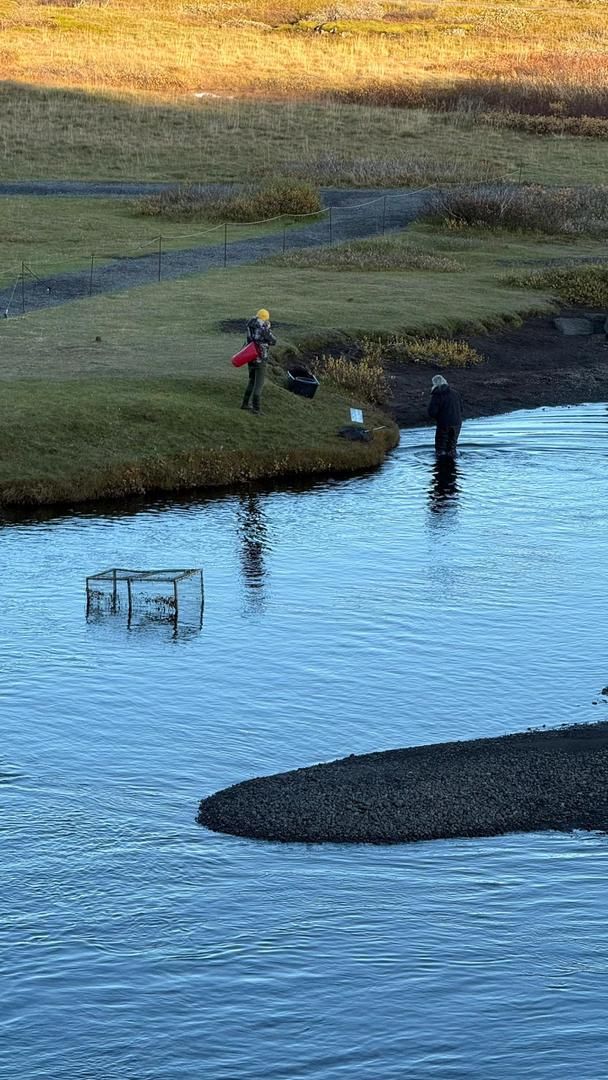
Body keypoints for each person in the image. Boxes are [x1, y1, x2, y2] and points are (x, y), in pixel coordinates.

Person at [240, 308, 277, 416]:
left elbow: (251, 339)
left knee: (251, 380)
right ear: (265, 319)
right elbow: (273, 341)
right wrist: (268, 327)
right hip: (260, 359)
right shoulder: (263, 329)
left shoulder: (250, 324)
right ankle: (256, 409)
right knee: (259, 384)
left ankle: (245, 403)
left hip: (250, 356)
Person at [427, 374, 462, 457]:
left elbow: (432, 412)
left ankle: (441, 466)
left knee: (440, 448)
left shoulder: (437, 395)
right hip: (457, 423)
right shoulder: (455, 393)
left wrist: (437, 418)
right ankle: (452, 465)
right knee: (452, 447)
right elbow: (461, 409)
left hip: (443, 424)